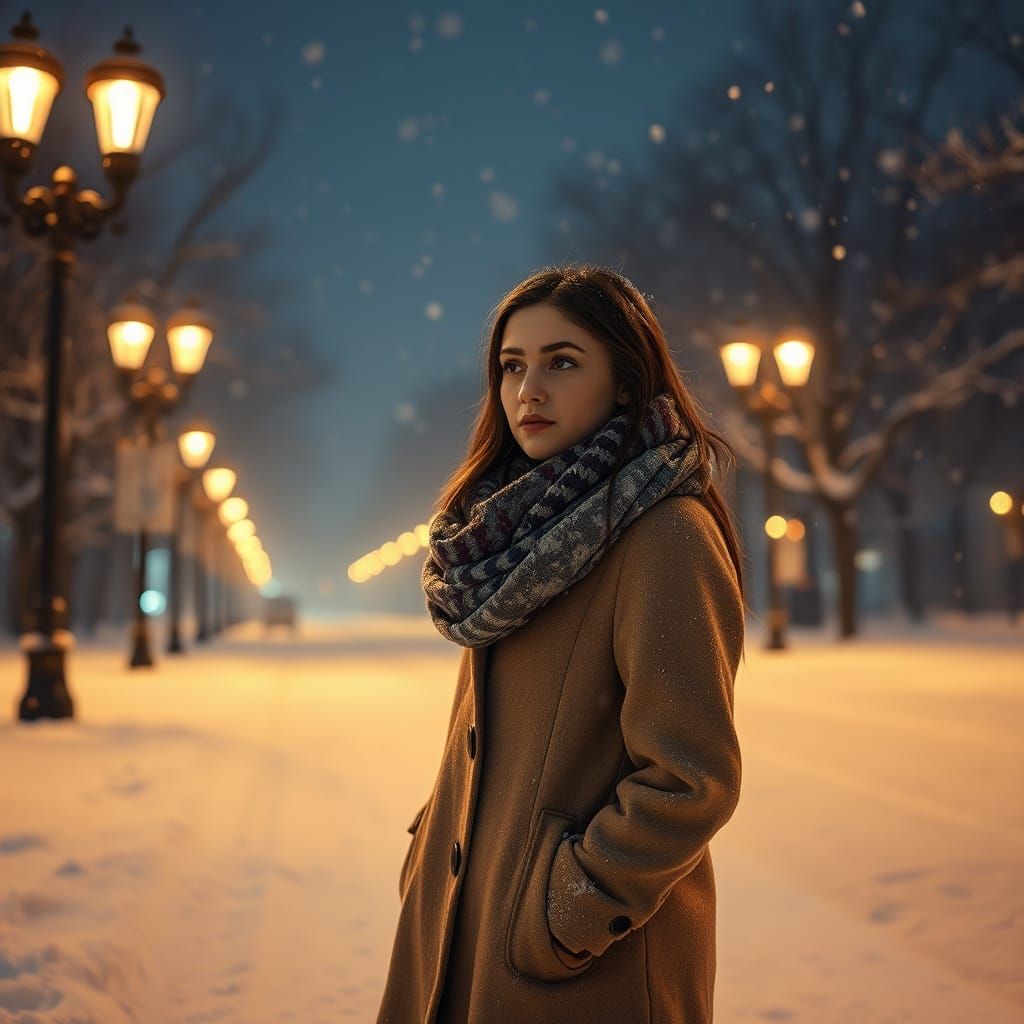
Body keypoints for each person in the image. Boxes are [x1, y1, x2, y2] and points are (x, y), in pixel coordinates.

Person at [377, 263, 747, 1024]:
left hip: (573, 970)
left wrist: (571, 907)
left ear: (625, 382)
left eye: (563, 362)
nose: (528, 391)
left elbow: (690, 778)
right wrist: (434, 846)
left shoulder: (664, 534)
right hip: (465, 920)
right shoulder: (508, 531)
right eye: (513, 366)